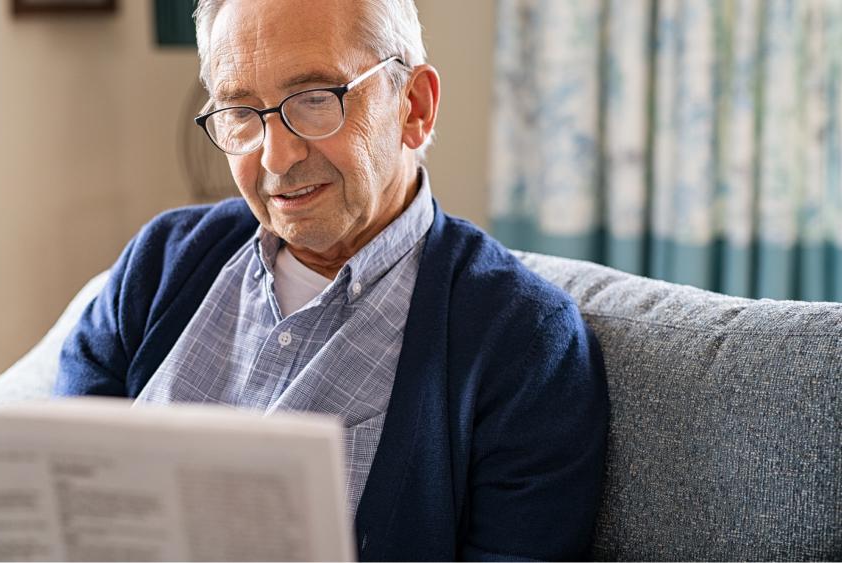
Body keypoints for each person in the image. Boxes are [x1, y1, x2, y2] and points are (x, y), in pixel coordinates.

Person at [55, 0, 608, 559]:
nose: (276, 157)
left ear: (414, 107)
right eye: (242, 113)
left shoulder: (526, 344)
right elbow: (56, 494)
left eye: (316, 100)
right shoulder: (160, 263)